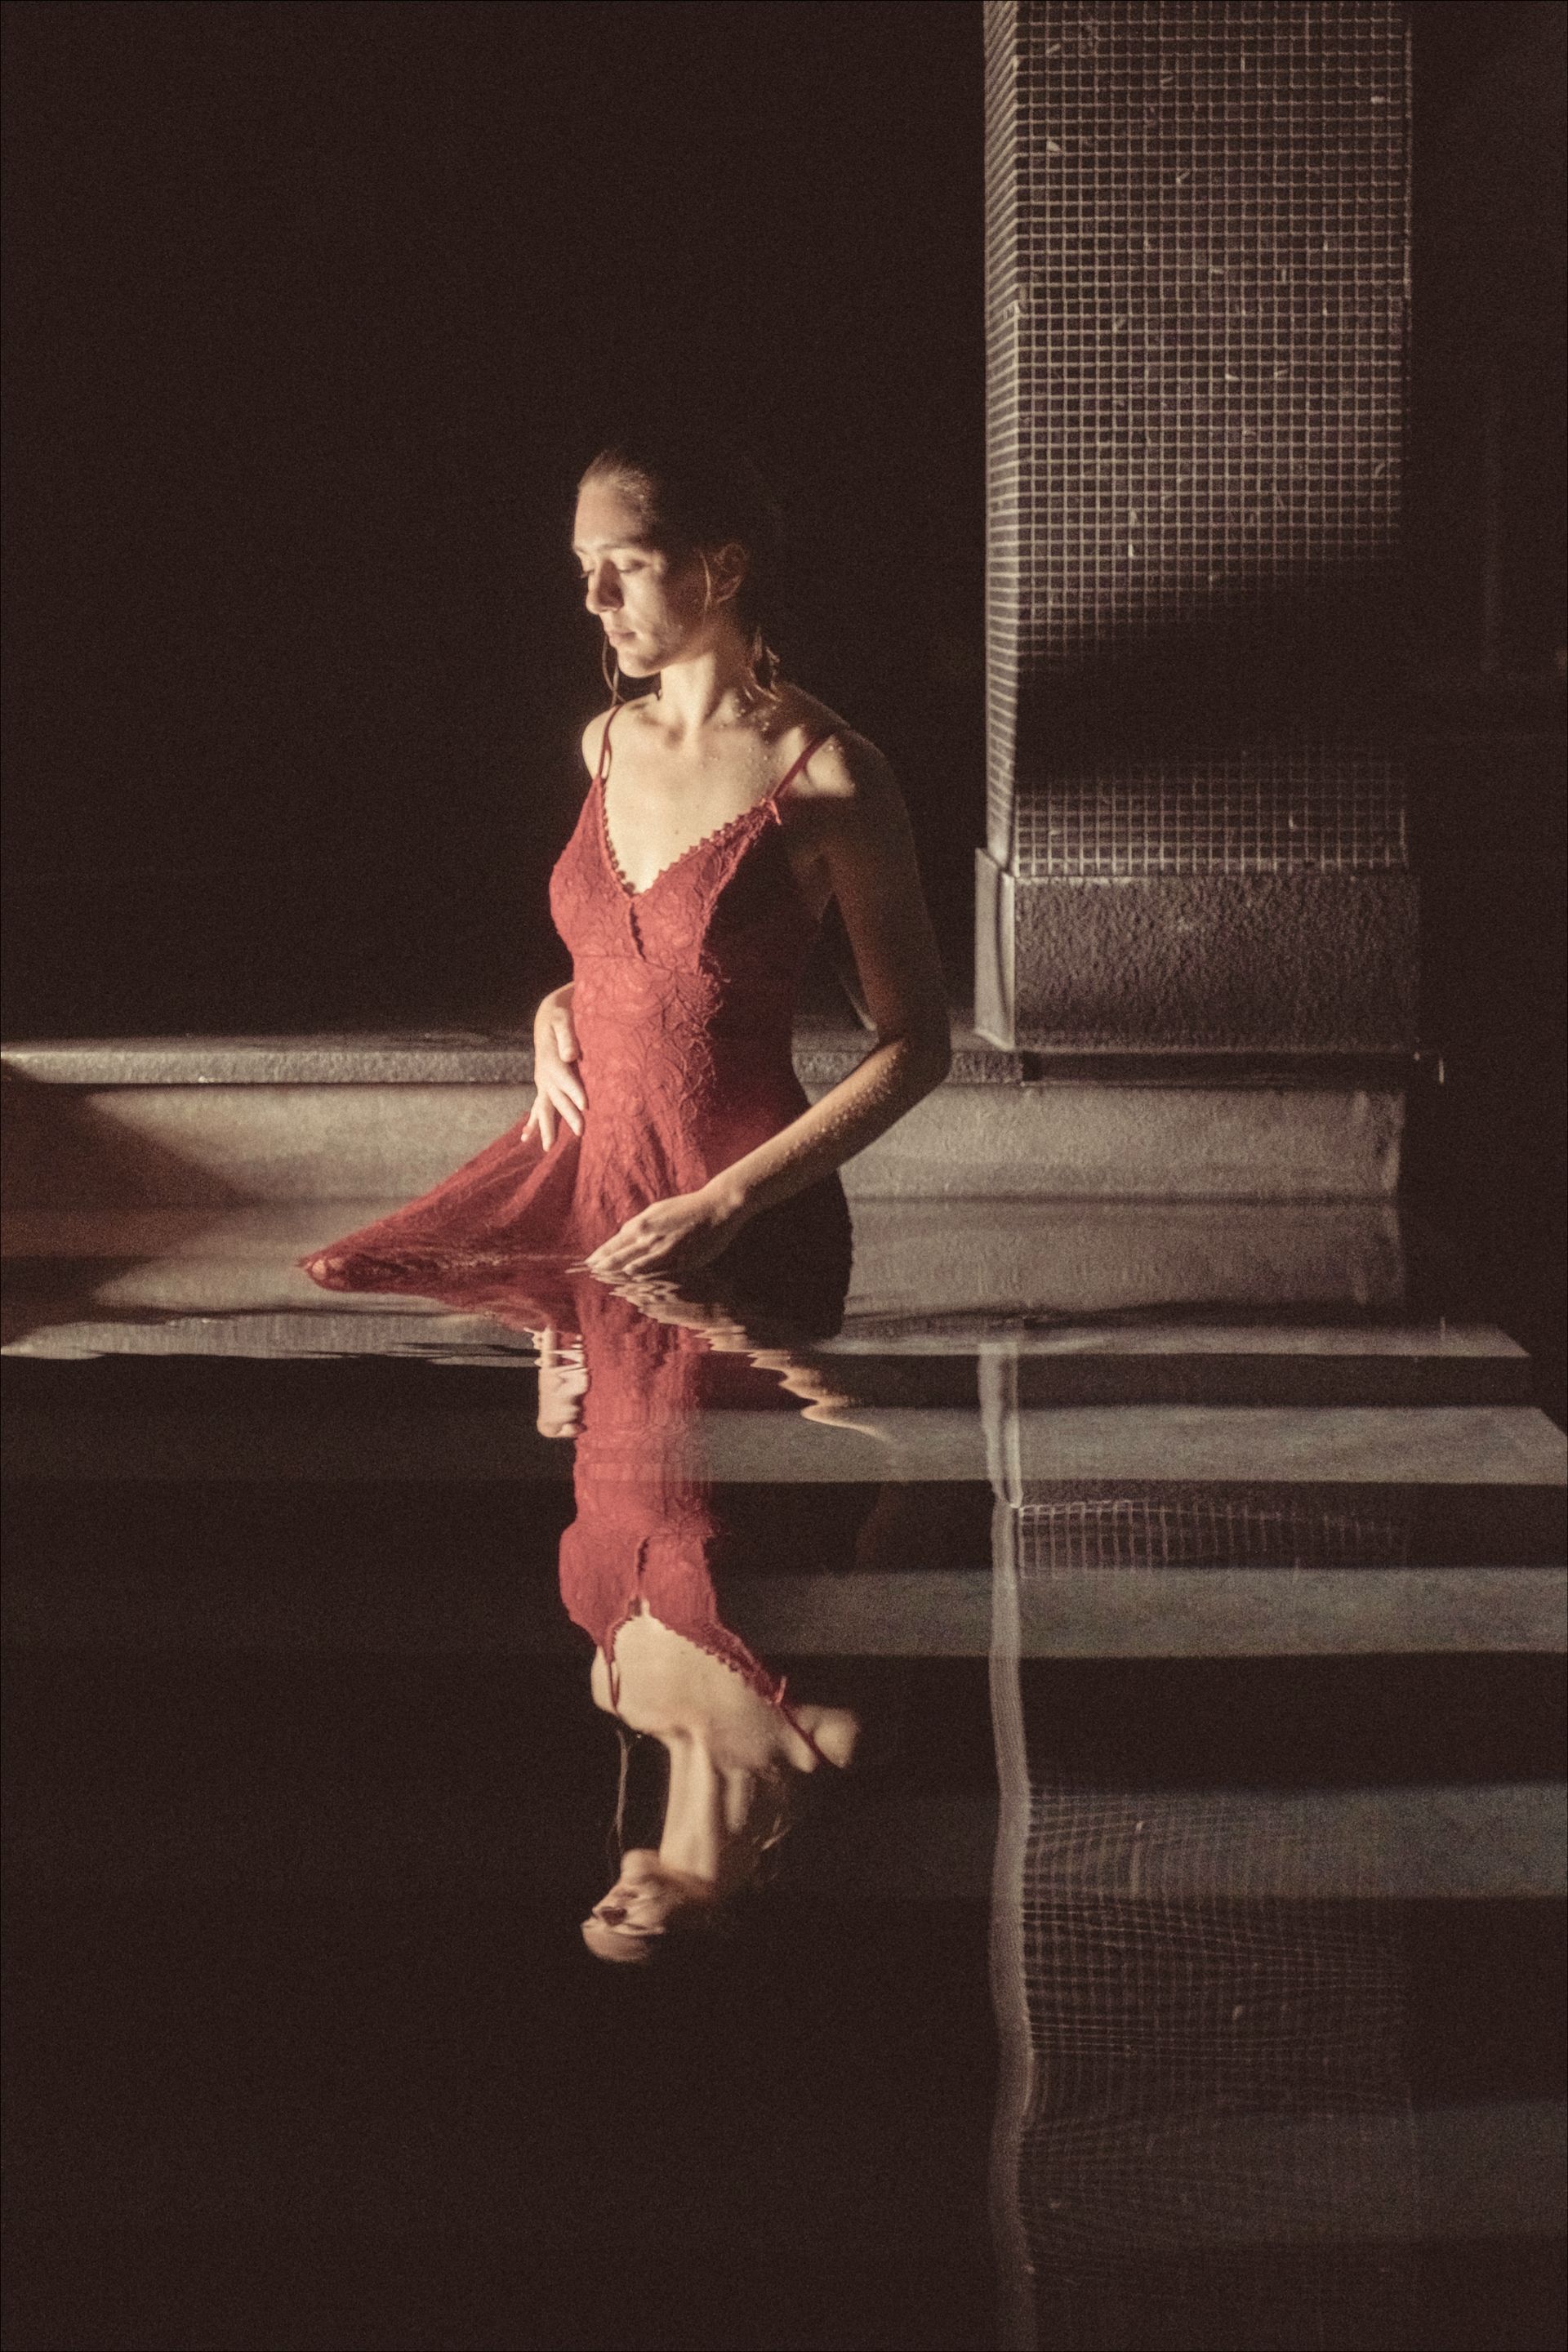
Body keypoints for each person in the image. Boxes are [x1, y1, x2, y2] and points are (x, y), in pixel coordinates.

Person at [299, 422, 951, 1316]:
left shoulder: (833, 773)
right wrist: (558, 1005)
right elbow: (639, 960)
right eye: (582, 567)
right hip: (596, 1196)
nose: (595, 597)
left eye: (628, 564)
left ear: (722, 569)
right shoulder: (603, 743)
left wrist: (726, 1201)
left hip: (739, 1223)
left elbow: (917, 1047)